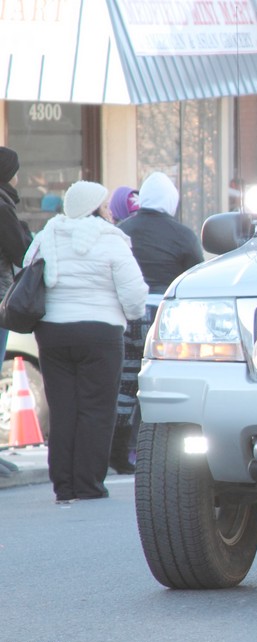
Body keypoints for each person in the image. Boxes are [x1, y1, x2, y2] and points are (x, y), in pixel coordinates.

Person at [25, 180, 148, 504]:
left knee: (63, 408)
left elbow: (27, 269)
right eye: (105, 206)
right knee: (96, 410)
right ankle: (89, 484)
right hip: (100, 334)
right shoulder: (111, 239)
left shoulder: (47, 235)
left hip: (52, 333)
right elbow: (134, 295)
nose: (109, 211)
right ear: (95, 208)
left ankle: (63, 485)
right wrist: (131, 315)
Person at [111, 172, 204, 473]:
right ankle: (157, 450)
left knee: (125, 384)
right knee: (163, 383)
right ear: (171, 201)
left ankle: (117, 452)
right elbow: (196, 277)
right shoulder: (182, 234)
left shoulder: (123, 230)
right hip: (165, 318)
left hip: (127, 315)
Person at [0, 147, 34, 364]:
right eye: (15, 173)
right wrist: (22, 228)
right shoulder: (3, 208)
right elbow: (22, 253)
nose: (17, 179)